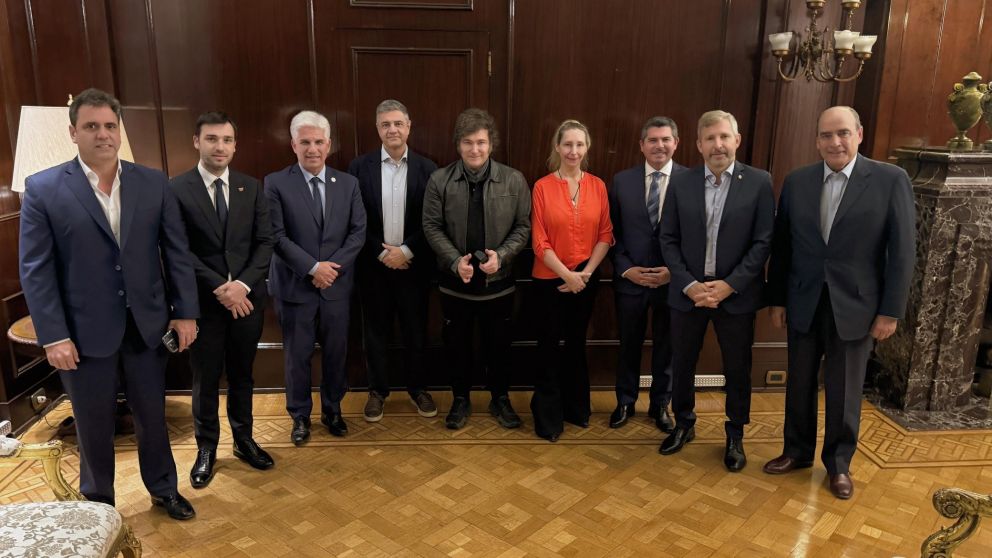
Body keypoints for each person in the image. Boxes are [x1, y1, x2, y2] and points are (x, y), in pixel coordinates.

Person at [18, 88, 199, 519]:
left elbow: (176, 253)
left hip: (146, 326)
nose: (102, 134)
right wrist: (54, 336)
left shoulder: (152, 182)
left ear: (119, 131)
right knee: (92, 423)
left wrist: (186, 312)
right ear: (73, 132)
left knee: (152, 416)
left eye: (109, 126)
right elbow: (36, 270)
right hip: (82, 333)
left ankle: (164, 489)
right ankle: (98, 503)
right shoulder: (43, 189)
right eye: (91, 126)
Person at [763, 106, 915, 500]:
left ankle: (838, 465)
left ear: (859, 134)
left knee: (844, 389)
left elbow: (902, 252)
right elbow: (783, 246)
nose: (835, 142)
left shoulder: (890, 180)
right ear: (817, 141)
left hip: (858, 306)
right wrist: (777, 299)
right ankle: (796, 451)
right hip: (804, 300)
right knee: (799, 382)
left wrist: (890, 311)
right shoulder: (797, 181)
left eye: (843, 133)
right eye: (826, 135)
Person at [658, 110, 775, 472]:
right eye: (710, 138)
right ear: (698, 144)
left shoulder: (759, 182)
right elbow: (667, 238)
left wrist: (729, 285)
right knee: (682, 362)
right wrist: (689, 284)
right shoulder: (681, 182)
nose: (718, 145)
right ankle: (684, 423)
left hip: (735, 295)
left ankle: (735, 434)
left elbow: (763, 241)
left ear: (737, 140)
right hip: (688, 293)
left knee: (737, 368)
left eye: (724, 137)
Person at [170, 111, 275, 488]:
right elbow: (178, 249)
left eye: (227, 140)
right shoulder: (176, 189)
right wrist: (221, 287)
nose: (220, 146)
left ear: (235, 145)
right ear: (197, 142)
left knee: (243, 375)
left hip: (247, 302)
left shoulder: (252, 187)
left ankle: (244, 441)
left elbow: (265, 242)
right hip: (203, 305)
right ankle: (207, 448)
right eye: (212, 139)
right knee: (206, 378)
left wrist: (241, 285)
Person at [422, 108, 531, 430]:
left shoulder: (513, 179)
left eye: (481, 142)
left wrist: (503, 256)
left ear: (491, 144)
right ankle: (460, 400)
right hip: (454, 283)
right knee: (457, 346)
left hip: (499, 283)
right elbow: (431, 226)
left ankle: (501, 399)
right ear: (458, 144)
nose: (475, 149)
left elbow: (523, 226)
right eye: (468, 142)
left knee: (499, 346)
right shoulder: (439, 180)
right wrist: (455, 261)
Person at [265, 110, 367, 444]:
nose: (313, 149)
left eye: (319, 142)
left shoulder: (348, 184)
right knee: (297, 356)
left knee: (336, 353)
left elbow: (358, 233)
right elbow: (276, 236)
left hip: (336, 286)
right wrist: (313, 268)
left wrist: (330, 270)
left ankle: (333, 410)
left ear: (329, 144)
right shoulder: (275, 183)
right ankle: (299, 416)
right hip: (295, 287)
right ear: (293, 145)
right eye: (305, 142)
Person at [348, 100, 438, 422]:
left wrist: (407, 251)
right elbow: (355, 220)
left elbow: (433, 220)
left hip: (414, 267)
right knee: (375, 333)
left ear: (409, 126)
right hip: (373, 267)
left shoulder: (429, 169)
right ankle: (377, 392)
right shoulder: (359, 168)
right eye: (386, 124)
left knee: (416, 331)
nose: (392, 129)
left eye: (398, 123)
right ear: (377, 128)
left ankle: (418, 390)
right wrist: (383, 253)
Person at [529, 120, 613, 442]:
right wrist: (566, 275)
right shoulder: (542, 187)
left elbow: (605, 234)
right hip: (548, 280)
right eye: (567, 144)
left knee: (576, 344)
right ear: (557, 147)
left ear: (587, 147)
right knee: (548, 346)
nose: (573, 151)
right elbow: (539, 241)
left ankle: (576, 408)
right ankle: (548, 417)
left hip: (586, 279)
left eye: (579, 144)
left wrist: (584, 275)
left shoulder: (598, 186)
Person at [608, 116, 686, 432]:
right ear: (642, 145)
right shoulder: (621, 181)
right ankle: (625, 402)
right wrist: (627, 269)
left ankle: (660, 405)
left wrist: (675, 272)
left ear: (676, 143)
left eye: (665, 139)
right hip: (631, 280)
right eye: (652, 140)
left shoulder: (690, 180)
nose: (659, 145)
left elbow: (696, 236)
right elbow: (610, 233)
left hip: (672, 282)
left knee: (667, 347)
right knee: (628, 344)